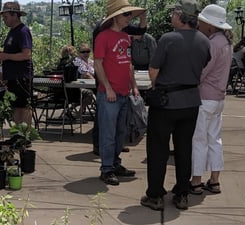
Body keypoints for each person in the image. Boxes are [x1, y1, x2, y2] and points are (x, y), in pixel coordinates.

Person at [141, 0, 210, 211]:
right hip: (190, 101)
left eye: (174, 13)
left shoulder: (168, 39)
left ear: (180, 16)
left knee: (158, 149)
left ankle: (155, 195)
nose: (171, 16)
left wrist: (157, 85)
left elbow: (153, 69)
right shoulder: (204, 41)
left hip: (166, 102)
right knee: (184, 148)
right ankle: (182, 193)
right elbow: (204, 64)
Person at [93, 0, 145, 186]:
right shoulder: (103, 36)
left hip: (123, 92)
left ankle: (114, 163)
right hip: (110, 94)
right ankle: (106, 168)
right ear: (116, 17)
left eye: (129, 14)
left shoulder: (125, 37)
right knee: (108, 132)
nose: (129, 18)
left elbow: (128, 63)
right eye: (126, 14)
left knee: (120, 132)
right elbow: (98, 63)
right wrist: (107, 87)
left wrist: (134, 85)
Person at [189, 4, 232, 195]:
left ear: (209, 25)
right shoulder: (225, 42)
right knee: (215, 139)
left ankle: (196, 181)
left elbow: (204, 71)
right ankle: (214, 180)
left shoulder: (213, 43)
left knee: (199, 139)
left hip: (205, 97)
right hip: (218, 97)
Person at [0, 2, 34, 126]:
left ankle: (25, 137)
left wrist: (5, 56)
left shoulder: (23, 31)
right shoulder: (12, 31)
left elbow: (26, 54)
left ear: (15, 15)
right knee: (16, 106)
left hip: (21, 76)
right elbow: (13, 53)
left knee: (24, 107)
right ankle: (17, 136)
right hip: (13, 76)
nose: (4, 19)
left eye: (6, 16)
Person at [73, 43, 96, 116]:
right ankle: (79, 113)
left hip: (90, 85)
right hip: (78, 87)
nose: (86, 53)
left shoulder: (91, 61)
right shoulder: (77, 61)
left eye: (88, 51)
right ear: (79, 53)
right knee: (91, 94)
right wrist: (96, 81)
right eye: (83, 52)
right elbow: (86, 74)